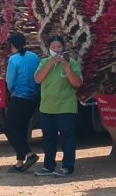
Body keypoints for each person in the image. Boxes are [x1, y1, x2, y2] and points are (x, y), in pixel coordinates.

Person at [33, 36, 83, 177]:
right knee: (48, 138)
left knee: (67, 138)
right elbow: (38, 79)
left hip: (65, 107)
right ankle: (48, 166)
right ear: (49, 49)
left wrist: (66, 66)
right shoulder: (44, 62)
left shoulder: (72, 63)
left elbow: (77, 83)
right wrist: (50, 63)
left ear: (64, 47)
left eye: (59, 47)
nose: (56, 50)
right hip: (47, 108)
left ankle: (68, 166)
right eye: (53, 48)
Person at [4, 32, 41, 173]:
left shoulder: (14, 60)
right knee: (21, 128)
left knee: (9, 128)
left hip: (19, 97)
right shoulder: (34, 57)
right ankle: (20, 162)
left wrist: (13, 91)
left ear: (12, 45)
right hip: (33, 98)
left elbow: (10, 81)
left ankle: (29, 154)